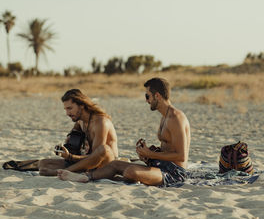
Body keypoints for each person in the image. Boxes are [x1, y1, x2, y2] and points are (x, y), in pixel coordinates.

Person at [58, 77, 191, 187]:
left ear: (157, 96)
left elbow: (181, 156)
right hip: (161, 165)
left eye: (147, 96)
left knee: (130, 171)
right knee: (115, 164)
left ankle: (88, 176)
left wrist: (150, 153)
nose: (146, 100)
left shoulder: (175, 118)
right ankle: (85, 177)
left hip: (174, 172)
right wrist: (150, 154)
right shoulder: (164, 117)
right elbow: (169, 148)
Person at [39, 89, 118, 176]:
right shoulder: (80, 122)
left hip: (106, 164)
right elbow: (73, 141)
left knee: (103, 149)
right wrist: (66, 149)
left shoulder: (100, 122)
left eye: (70, 108)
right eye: (65, 109)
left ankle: (65, 172)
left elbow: (97, 156)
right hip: (88, 162)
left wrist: (70, 157)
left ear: (81, 105)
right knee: (44, 163)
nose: (67, 113)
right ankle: (72, 171)